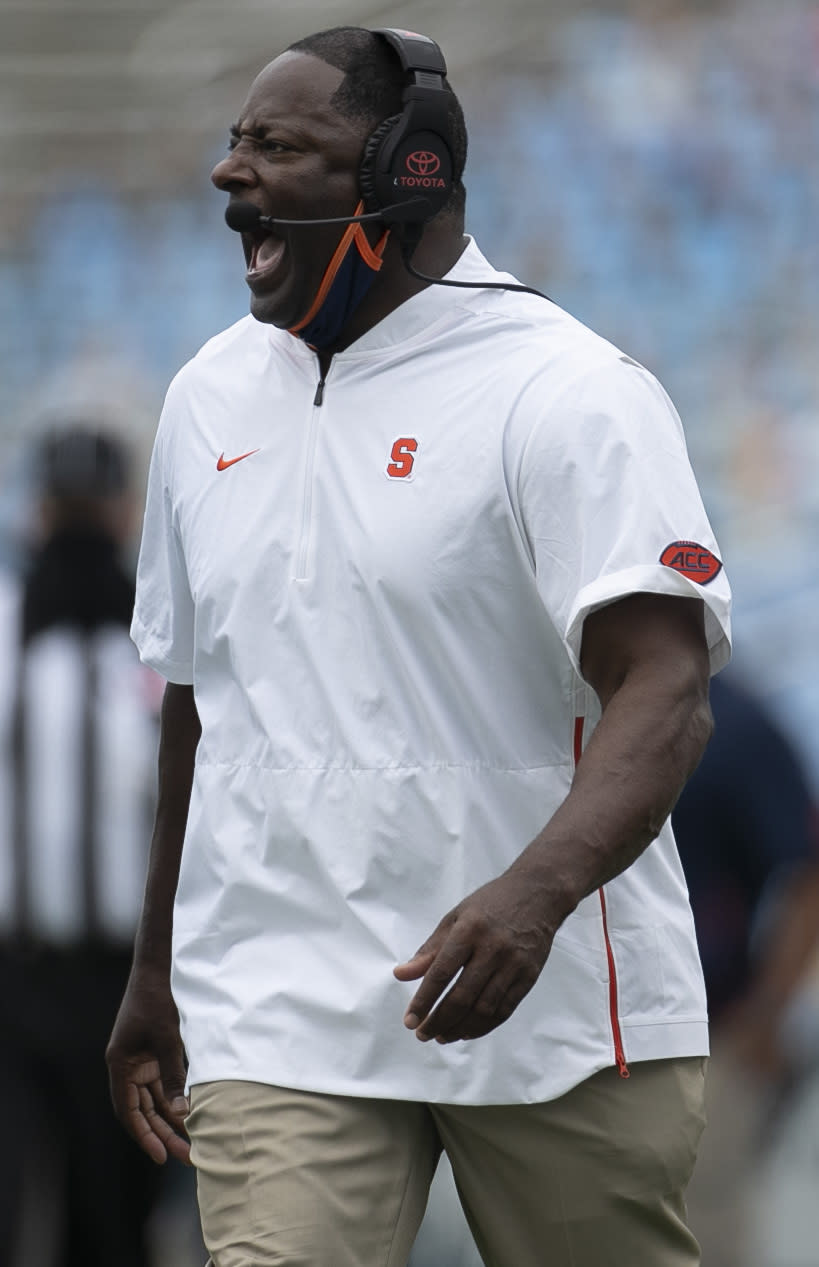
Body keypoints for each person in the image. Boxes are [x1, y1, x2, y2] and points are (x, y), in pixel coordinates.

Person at [106, 26, 732, 1267]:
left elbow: (665, 689)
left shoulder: (566, 391)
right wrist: (156, 965)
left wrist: (535, 895)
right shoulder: (205, 397)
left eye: (282, 147)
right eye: (235, 142)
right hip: (279, 1001)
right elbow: (196, 692)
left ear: (411, 176)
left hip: (546, 1002)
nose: (233, 175)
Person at [0, 424, 164, 1266]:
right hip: (15, 978)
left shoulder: (157, 646)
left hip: (124, 985)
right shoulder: (7, 634)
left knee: (113, 1215)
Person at [673, 671, 819, 1267]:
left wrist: (764, 1019)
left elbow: (805, 876)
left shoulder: (734, 723)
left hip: (709, 1034)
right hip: (583, 1032)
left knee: (701, 1229)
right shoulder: (570, 708)